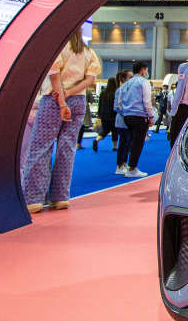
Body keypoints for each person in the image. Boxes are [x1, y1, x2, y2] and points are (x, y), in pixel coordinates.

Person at [22, 29, 101, 213]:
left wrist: (62, 99)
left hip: (54, 99)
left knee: (41, 146)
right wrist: (71, 93)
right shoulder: (88, 52)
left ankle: (34, 198)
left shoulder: (57, 48)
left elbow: (54, 75)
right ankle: (61, 197)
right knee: (67, 148)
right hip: (79, 100)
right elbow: (90, 79)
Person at [115, 62, 154, 177]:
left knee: (130, 142)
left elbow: (119, 103)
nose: (147, 73)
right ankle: (132, 168)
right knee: (137, 143)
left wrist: (126, 112)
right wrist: (150, 116)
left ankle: (127, 166)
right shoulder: (143, 82)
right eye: (146, 70)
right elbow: (147, 101)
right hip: (139, 116)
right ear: (143, 70)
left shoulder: (126, 84)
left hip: (127, 116)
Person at [112, 70, 132, 165]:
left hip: (129, 121)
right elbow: (116, 107)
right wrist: (128, 113)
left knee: (128, 143)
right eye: (130, 77)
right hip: (122, 120)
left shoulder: (130, 90)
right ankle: (120, 164)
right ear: (124, 79)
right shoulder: (120, 90)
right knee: (123, 143)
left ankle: (124, 163)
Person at [93, 77, 118, 152]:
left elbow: (100, 104)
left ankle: (97, 140)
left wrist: (99, 115)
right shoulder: (116, 92)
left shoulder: (103, 92)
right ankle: (115, 146)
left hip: (104, 116)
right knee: (114, 131)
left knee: (105, 131)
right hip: (113, 116)